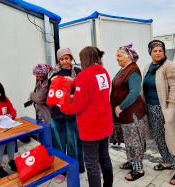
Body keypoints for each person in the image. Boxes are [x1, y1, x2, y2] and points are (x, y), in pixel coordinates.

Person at [60, 46, 113, 187]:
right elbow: (92, 86)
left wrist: (63, 106)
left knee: (91, 164)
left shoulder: (84, 76)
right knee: (105, 158)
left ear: (84, 59)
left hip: (90, 127)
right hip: (104, 123)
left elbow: (77, 106)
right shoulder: (103, 72)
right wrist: (73, 81)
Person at [143, 40, 175, 185]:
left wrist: (170, 111)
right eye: (154, 50)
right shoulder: (148, 67)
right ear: (150, 52)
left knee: (173, 139)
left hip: (167, 109)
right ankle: (167, 162)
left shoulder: (169, 66)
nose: (158, 52)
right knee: (159, 137)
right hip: (151, 107)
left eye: (160, 50)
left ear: (164, 51)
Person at [110, 44, 147, 181]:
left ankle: (139, 169)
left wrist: (120, 106)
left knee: (135, 142)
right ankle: (131, 162)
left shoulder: (133, 71)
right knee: (129, 140)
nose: (116, 58)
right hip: (125, 114)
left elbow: (135, 92)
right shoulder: (123, 69)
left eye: (119, 55)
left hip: (132, 113)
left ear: (129, 56)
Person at [48, 48, 85, 183]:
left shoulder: (77, 72)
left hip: (72, 113)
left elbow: (82, 91)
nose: (65, 61)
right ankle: (61, 171)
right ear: (59, 60)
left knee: (74, 142)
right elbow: (49, 93)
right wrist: (53, 81)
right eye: (62, 59)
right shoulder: (53, 73)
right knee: (58, 143)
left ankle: (75, 167)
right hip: (57, 113)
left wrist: (71, 95)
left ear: (71, 58)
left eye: (67, 58)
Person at [0, 80, 17, 178]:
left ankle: (11, 161)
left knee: (12, 141)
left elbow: (13, 111)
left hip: (6, 127)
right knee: (0, 146)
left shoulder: (5, 99)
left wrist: (10, 115)